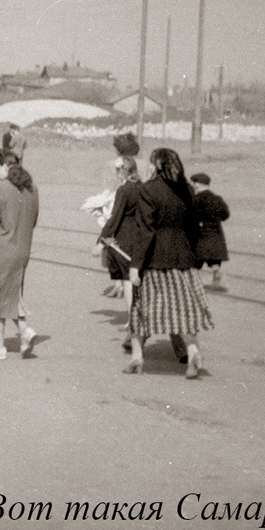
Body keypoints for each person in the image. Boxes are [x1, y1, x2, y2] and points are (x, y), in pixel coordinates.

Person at [123, 148, 214, 379]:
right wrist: (190, 254)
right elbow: (194, 228)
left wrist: (135, 265)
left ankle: (137, 358)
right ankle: (192, 350)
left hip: (155, 261)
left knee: (140, 310)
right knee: (182, 311)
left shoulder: (148, 189)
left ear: (156, 165)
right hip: (182, 260)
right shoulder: (187, 189)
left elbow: (145, 230)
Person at [0, 150, 40, 361]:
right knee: (12, 293)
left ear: (5, 167)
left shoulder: (1, 189)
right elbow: (34, 220)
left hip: (3, 249)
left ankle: (5, 342)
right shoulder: (32, 189)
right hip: (23, 249)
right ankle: (22, 335)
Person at [100, 156, 148, 304]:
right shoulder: (143, 187)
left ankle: (131, 319)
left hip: (126, 237)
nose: (116, 173)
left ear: (123, 170)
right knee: (139, 276)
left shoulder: (124, 190)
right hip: (141, 236)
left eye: (117, 170)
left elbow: (116, 216)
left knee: (128, 279)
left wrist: (102, 239)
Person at [190, 173, 230, 292]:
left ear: (197, 185)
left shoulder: (196, 200)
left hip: (201, 234)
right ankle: (216, 274)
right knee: (214, 260)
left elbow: (192, 217)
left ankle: (192, 283)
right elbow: (226, 214)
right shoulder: (217, 198)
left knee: (195, 261)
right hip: (216, 233)